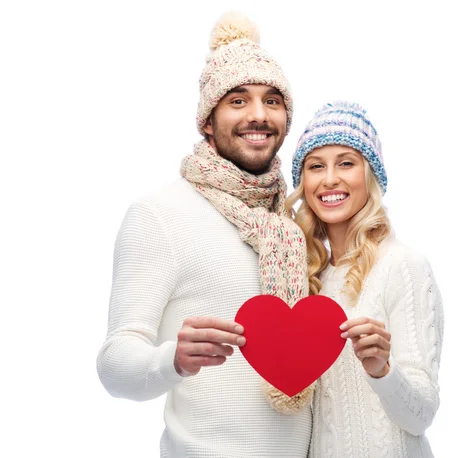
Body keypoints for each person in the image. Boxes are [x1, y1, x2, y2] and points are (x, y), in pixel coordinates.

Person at [96, 12, 312, 458]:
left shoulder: (294, 224)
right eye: (237, 100)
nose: (258, 115)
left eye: (272, 101)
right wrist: (171, 358)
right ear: (208, 122)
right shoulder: (159, 214)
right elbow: (114, 365)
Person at [286, 101, 444, 457]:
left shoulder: (404, 266)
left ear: (369, 175)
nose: (329, 179)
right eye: (315, 166)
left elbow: (422, 415)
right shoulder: (310, 280)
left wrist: (382, 370)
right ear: (303, 182)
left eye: (346, 163)